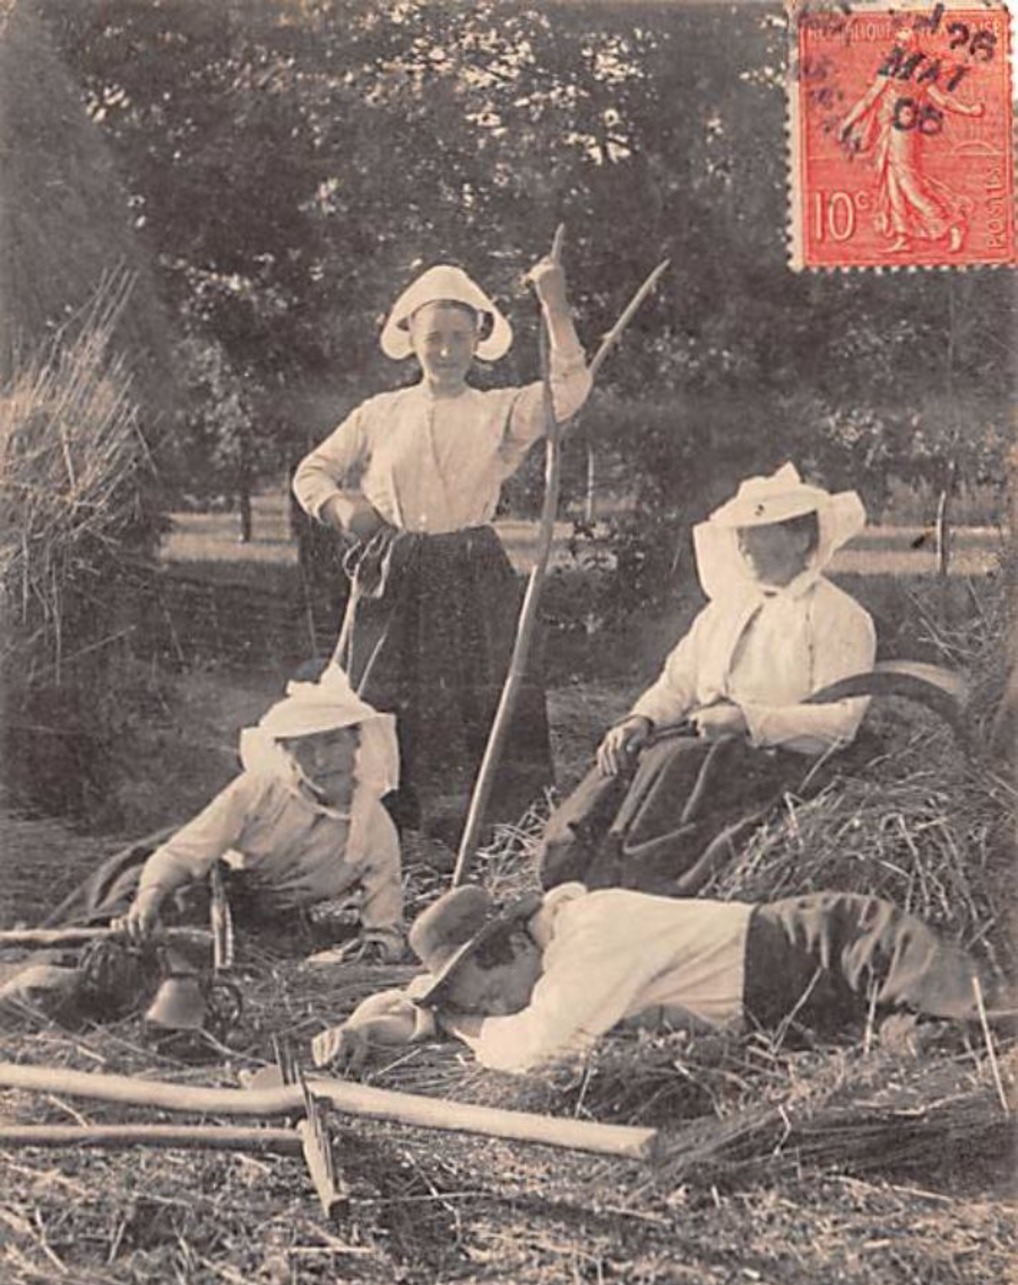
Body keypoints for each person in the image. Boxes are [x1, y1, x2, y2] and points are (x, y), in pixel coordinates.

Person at [292, 256, 592, 839]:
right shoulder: (380, 414)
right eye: (435, 338)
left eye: (460, 337)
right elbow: (313, 471)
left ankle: (504, 831)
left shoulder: (498, 410)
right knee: (375, 698)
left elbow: (571, 390)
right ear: (410, 340)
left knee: (494, 692)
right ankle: (372, 828)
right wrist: (341, 508)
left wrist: (554, 304)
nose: (448, 351)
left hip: (472, 567)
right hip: (393, 569)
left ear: (480, 339)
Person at [538, 463, 877, 895]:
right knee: (611, 777)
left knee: (674, 767)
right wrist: (639, 720)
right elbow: (679, 680)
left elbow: (841, 723)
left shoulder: (838, 617)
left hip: (772, 759)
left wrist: (747, 720)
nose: (743, 544)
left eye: (758, 530)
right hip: (699, 744)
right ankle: (571, 883)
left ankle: (624, 887)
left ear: (801, 538)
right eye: (740, 533)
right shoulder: (727, 607)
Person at [0, 668, 405, 1029]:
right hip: (188, 886)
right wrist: (147, 902)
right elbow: (182, 854)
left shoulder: (376, 832)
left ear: (357, 742)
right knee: (105, 941)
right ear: (285, 752)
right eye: (303, 747)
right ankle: (32, 984)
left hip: (251, 926)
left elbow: (385, 925)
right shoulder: (261, 790)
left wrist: (369, 952)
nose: (320, 760)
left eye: (332, 742)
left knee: (175, 986)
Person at [311, 881, 1013, 1079]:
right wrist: (362, 1029)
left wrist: (462, 1024)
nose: (501, 1009)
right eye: (484, 1006)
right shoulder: (544, 959)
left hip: (836, 943)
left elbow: (535, 1050)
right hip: (802, 1005)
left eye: (493, 997)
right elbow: (412, 1003)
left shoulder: (589, 941)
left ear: (504, 952)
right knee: (929, 1057)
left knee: (994, 1021)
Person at [840, 26, 984, 255]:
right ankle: (903, 235)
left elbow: (940, 99)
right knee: (893, 182)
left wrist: (969, 110)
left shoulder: (921, 68)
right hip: (889, 128)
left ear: (911, 46)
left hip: (904, 131)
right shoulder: (891, 66)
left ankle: (952, 223)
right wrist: (847, 123)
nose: (897, 46)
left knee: (908, 183)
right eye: (896, 42)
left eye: (902, 42)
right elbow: (869, 99)